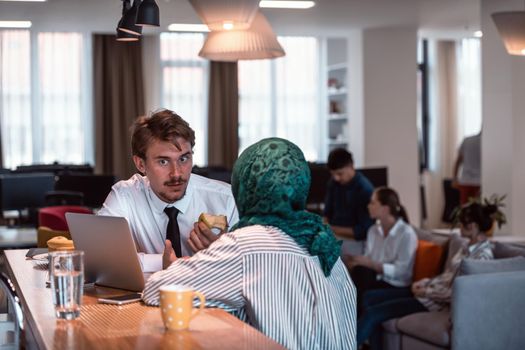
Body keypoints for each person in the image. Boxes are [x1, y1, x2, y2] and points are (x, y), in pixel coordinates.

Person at [143, 138, 357, 350]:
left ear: (244, 185)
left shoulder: (245, 245)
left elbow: (156, 291)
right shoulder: (327, 248)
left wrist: (174, 267)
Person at [98, 109, 239, 272]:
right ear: (141, 164)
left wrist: (223, 254)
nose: (177, 173)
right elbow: (101, 257)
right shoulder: (125, 196)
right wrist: (164, 262)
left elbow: (254, 264)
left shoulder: (227, 199)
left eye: (184, 159)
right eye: (163, 161)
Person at [356, 201, 495, 350]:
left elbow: (460, 293)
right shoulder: (465, 247)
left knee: (373, 313)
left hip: (434, 302)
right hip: (426, 291)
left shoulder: (482, 257)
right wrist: (425, 282)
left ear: (472, 227)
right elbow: (446, 276)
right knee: (369, 297)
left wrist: (426, 291)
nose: (459, 226)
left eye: (461, 223)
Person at [344, 187, 418, 306]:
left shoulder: (406, 233)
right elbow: (368, 258)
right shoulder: (373, 231)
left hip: (397, 285)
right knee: (356, 273)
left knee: (361, 283)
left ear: (385, 208)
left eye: (373, 203)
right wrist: (357, 262)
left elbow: (403, 272)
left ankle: (350, 320)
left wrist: (372, 264)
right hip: (375, 279)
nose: (368, 206)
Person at [323, 148, 374, 242]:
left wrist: (330, 228)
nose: (336, 178)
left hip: (355, 240)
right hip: (332, 234)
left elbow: (362, 231)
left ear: (351, 166)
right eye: (333, 174)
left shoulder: (364, 189)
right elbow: (327, 213)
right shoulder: (333, 183)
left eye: (340, 174)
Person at [453, 131, 481, 204]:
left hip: (466, 182)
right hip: (480, 183)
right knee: (480, 211)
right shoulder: (488, 143)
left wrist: (455, 179)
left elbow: (458, 161)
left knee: (465, 210)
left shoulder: (467, 140)